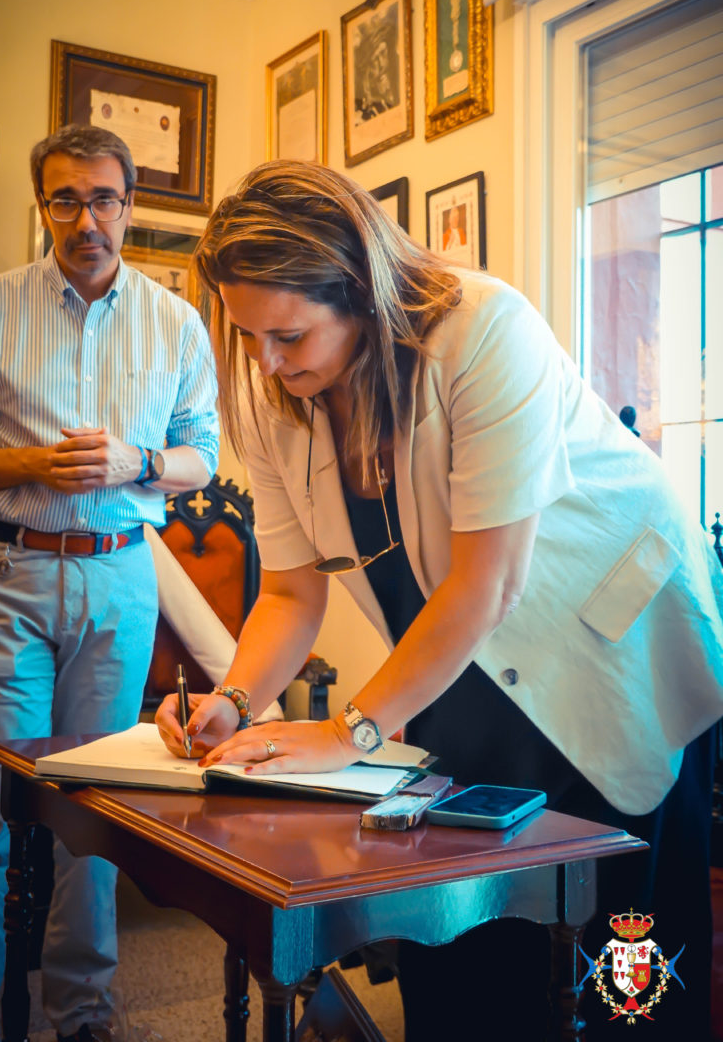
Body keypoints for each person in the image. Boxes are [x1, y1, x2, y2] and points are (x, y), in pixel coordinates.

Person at [156, 160, 723, 1040]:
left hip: (614, 642)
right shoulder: (276, 397)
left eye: (291, 335)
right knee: (453, 934)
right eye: (250, 335)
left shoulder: (485, 328)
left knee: (624, 959)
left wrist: (347, 735)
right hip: (461, 658)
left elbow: (488, 579)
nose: (266, 361)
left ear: (361, 296)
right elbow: (292, 593)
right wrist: (236, 700)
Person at [0, 124, 219, 1042]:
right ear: (43, 207)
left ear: (129, 206)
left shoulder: (178, 321)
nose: (85, 217)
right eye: (64, 198)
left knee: (98, 815)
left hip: (119, 582)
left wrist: (138, 459)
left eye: (102, 198)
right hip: (5, 574)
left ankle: (84, 1018)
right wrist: (31, 462)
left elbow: (204, 459)